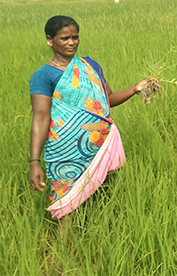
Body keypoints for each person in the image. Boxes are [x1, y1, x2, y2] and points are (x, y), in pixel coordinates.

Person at [28, 15, 153, 219]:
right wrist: (34, 161)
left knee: (105, 198)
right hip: (64, 151)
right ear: (50, 40)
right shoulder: (43, 75)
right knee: (65, 204)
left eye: (75, 37)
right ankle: (63, 248)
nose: (71, 42)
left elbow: (108, 99)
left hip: (99, 144)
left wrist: (135, 89)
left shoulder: (90, 66)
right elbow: (40, 118)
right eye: (64, 38)